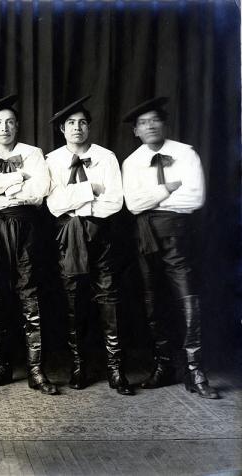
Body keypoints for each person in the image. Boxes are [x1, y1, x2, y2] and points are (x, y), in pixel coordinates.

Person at [121, 97, 218, 399]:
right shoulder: (132, 161)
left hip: (178, 234)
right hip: (144, 236)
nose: (150, 126)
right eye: (143, 123)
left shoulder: (185, 154)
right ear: (136, 131)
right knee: (152, 303)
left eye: (155, 120)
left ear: (164, 124)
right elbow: (133, 204)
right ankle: (164, 366)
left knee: (188, 300)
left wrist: (154, 198)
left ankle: (194, 371)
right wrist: (169, 188)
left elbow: (196, 198)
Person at [46, 95, 134, 396]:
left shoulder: (106, 157)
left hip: (101, 234)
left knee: (108, 298)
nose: (77, 128)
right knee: (73, 300)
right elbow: (55, 205)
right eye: (71, 123)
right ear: (62, 129)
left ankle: (115, 368)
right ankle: (79, 365)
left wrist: (82, 206)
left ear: (89, 126)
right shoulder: (52, 160)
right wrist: (90, 189)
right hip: (67, 236)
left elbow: (114, 201)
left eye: (82, 122)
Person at [0, 94, 58, 394]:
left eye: (9, 122)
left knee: (30, 296)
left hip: (26, 229)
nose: (4, 127)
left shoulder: (33, 153)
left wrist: (2, 188)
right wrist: (17, 179)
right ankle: (3, 367)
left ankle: (36, 371)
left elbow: (39, 191)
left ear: (17, 126)